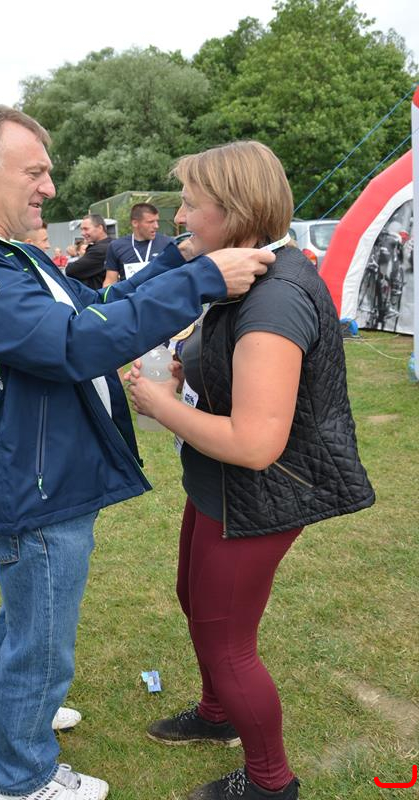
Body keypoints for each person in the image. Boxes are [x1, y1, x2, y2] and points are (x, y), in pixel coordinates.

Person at [0, 102, 273, 800]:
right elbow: (69, 343)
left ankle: (7, 713)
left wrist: (179, 260)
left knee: (27, 615)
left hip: (39, 466)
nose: (50, 187)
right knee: (42, 638)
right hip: (29, 477)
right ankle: (22, 778)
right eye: (34, 171)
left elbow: (89, 308)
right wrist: (203, 280)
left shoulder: (3, 252)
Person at [127, 141, 375, 800]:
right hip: (220, 484)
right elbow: (232, 369)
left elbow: (257, 442)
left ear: (234, 209)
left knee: (227, 641)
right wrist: (188, 371)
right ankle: (216, 717)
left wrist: (158, 403)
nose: (181, 218)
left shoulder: (277, 298)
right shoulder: (249, 273)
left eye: (191, 204)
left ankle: (271, 782)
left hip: (259, 493)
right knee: (195, 600)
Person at [103, 202, 173, 286]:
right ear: (135, 223)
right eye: (150, 222)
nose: (156, 226)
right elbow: (110, 281)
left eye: (157, 221)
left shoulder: (168, 244)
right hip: (130, 294)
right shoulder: (116, 246)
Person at [64, 214, 110, 289]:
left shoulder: (99, 250)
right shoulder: (110, 244)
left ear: (100, 228)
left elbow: (70, 270)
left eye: (86, 229)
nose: (82, 233)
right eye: (81, 229)